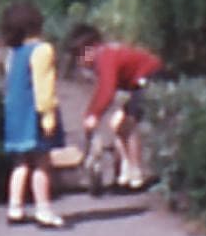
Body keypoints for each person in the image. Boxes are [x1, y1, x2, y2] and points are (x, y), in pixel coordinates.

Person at [67, 26, 163, 191]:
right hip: (138, 83)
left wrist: (95, 116)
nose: (79, 62)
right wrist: (90, 114)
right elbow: (101, 90)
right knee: (116, 125)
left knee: (127, 124)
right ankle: (126, 173)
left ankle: (136, 174)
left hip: (149, 78)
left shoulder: (106, 57)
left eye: (79, 55)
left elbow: (108, 90)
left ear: (89, 49)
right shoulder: (104, 57)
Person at [0, 1, 66, 230]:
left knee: (20, 163)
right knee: (41, 163)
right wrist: (48, 115)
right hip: (34, 114)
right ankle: (43, 210)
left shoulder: (12, 54)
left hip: (15, 115)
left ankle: (15, 207)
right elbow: (43, 86)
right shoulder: (42, 50)